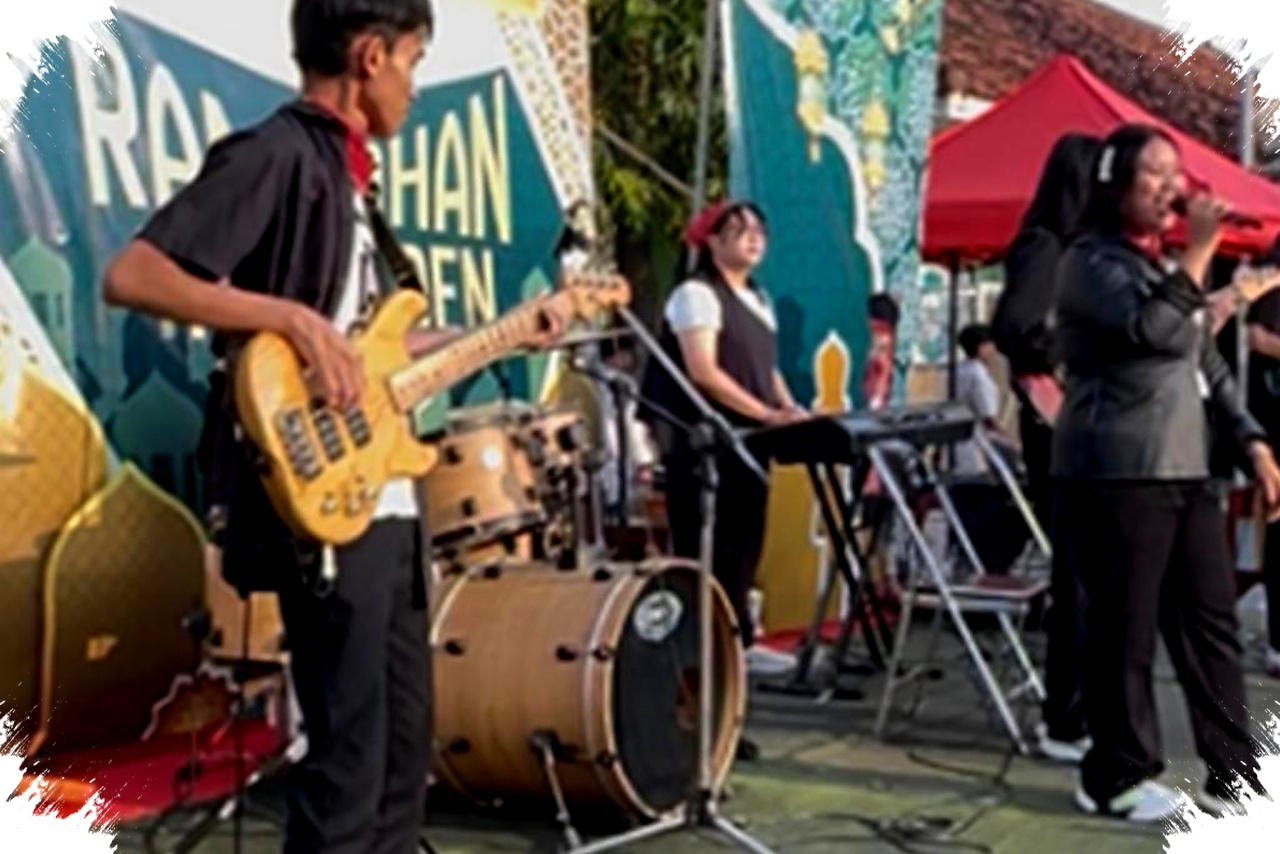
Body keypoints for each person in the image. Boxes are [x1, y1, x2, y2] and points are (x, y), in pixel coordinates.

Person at [102, 3, 560, 850]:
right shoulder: (276, 153)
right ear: (371, 55)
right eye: (413, 63)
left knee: (401, 755)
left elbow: (373, 353)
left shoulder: (353, 188)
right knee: (348, 763)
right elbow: (133, 274)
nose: (414, 88)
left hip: (384, 498)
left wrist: (500, 333)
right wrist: (290, 319)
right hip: (321, 504)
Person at [1052, 123, 1280, 823]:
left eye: (1174, 173)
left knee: (1210, 624)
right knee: (1125, 629)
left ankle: (1234, 773)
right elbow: (1148, 334)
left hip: (1185, 465)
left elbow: (1199, 355)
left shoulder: (1158, 268)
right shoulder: (1089, 262)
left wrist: (1250, 437)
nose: (1170, 186)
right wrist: (1201, 254)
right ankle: (1114, 776)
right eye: (1153, 172)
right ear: (1115, 182)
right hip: (1117, 468)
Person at [641, 199, 805, 683]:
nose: (754, 238)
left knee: (746, 540)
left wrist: (790, 408)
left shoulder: (758, 298)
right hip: (704, 441)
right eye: (739, 230)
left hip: (749, 439)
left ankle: (738, 640)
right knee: (710, 545)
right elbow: (704, 371)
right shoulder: (697, 295)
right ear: (712, 241)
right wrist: (766, 414)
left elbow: (766, 369)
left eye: (759, 230)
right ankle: (704, 651)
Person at [991, 133, 1101, 765]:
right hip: (1059, 431)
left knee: (1090, 574)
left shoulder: (1080, 252)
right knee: (1078, 575)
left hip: (1083, 428)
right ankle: (1066, 715)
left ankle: (1079, 708)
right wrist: (1069, 354)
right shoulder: (1045, 246)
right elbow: (1014, 327)